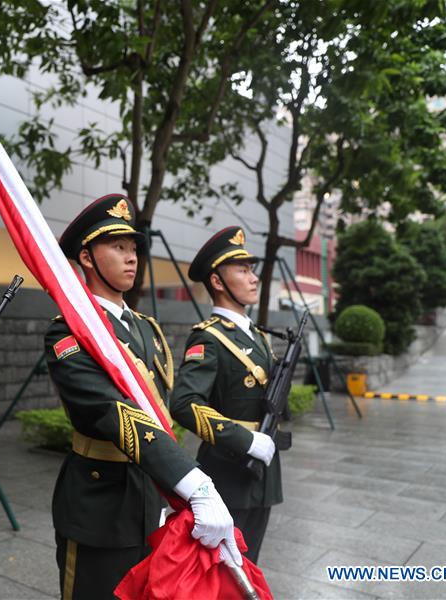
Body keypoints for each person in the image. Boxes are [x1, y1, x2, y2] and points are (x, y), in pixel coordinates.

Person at [44, 195, 242, 599]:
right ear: (86, 256)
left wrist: (171, 489)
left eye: (134, 247)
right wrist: (193, 484)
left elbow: (161, 410)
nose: (132, 257)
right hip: (98, 503)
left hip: (150, 496)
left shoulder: (146, 329)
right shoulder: (68, 331)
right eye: (118, 247)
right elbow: (111, 412)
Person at [170, 226, 282, 563]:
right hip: (229, 470)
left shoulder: (259, 336)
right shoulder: (209, 339)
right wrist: (245, 441)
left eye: (252, 270)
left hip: (264, 471)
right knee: (223, 574)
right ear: (217, 282)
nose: (253, 278)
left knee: (250, 567)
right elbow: (184, 404)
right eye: (243, 270)